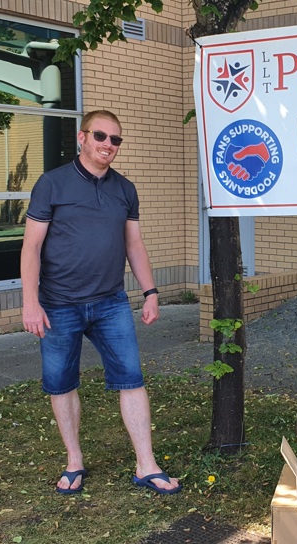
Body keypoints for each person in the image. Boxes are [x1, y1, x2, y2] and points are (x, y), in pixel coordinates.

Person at [21, 110, 182, 496]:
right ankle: (74, 460)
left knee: (132, 379)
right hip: (59, 304)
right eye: (100, 136)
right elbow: (32, 246)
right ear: (82, 137)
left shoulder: (125, 189)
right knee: (61, 385)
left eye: (115, 140)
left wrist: (151, 292)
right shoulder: (52, 184)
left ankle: (147, 465)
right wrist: (30, 301)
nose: (108, 144)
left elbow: (134, 244)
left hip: (111, 303)